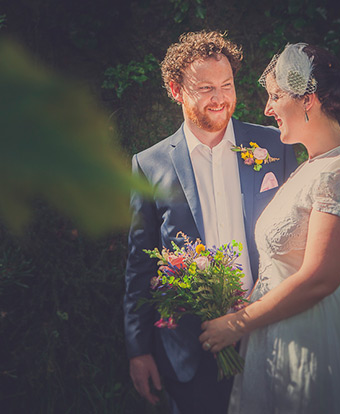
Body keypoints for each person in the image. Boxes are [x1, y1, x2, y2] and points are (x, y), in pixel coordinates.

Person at [199, 43, 340, 413]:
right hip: (273, 333)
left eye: (275, 96)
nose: (267, 108)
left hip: (311, 340)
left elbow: (318, 280)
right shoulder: (309, 167)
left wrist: (237, 323)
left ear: (307, 99)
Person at [123, 31, 298, 414]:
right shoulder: (148, 165)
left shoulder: (274, 147)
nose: (220, 98)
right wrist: (138, 350)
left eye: (227, 85)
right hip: (190, 347)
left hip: (269, 333)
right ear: (175, 90)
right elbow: (140, 264)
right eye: (205, 88)